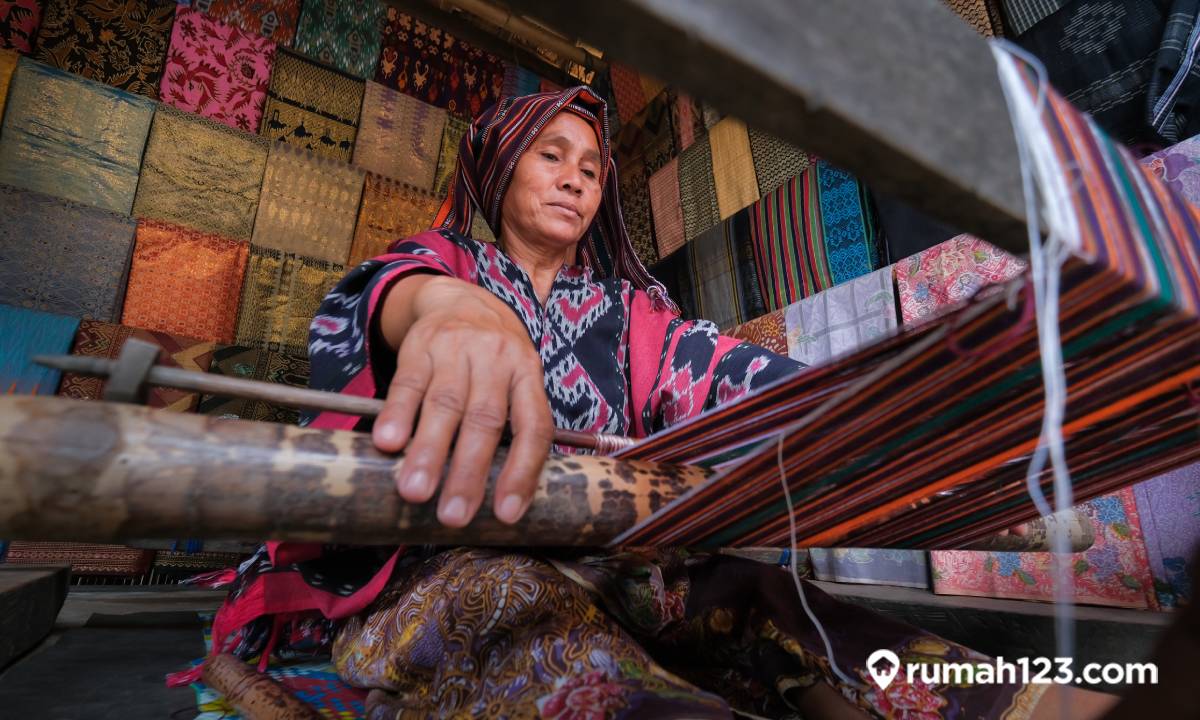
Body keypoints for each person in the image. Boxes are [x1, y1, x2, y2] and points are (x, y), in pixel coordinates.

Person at [195, 86, 1121, 719]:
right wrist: (449, 311)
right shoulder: (443, 271)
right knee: (523, 615)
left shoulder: (629, 315)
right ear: (496, 169)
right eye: (548, 155)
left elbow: (723, 377)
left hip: (619, 560)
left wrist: (878, 418)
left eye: (591, 168)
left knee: (769, 599)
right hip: (449, 567)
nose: (573, 177)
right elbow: (379, 299)